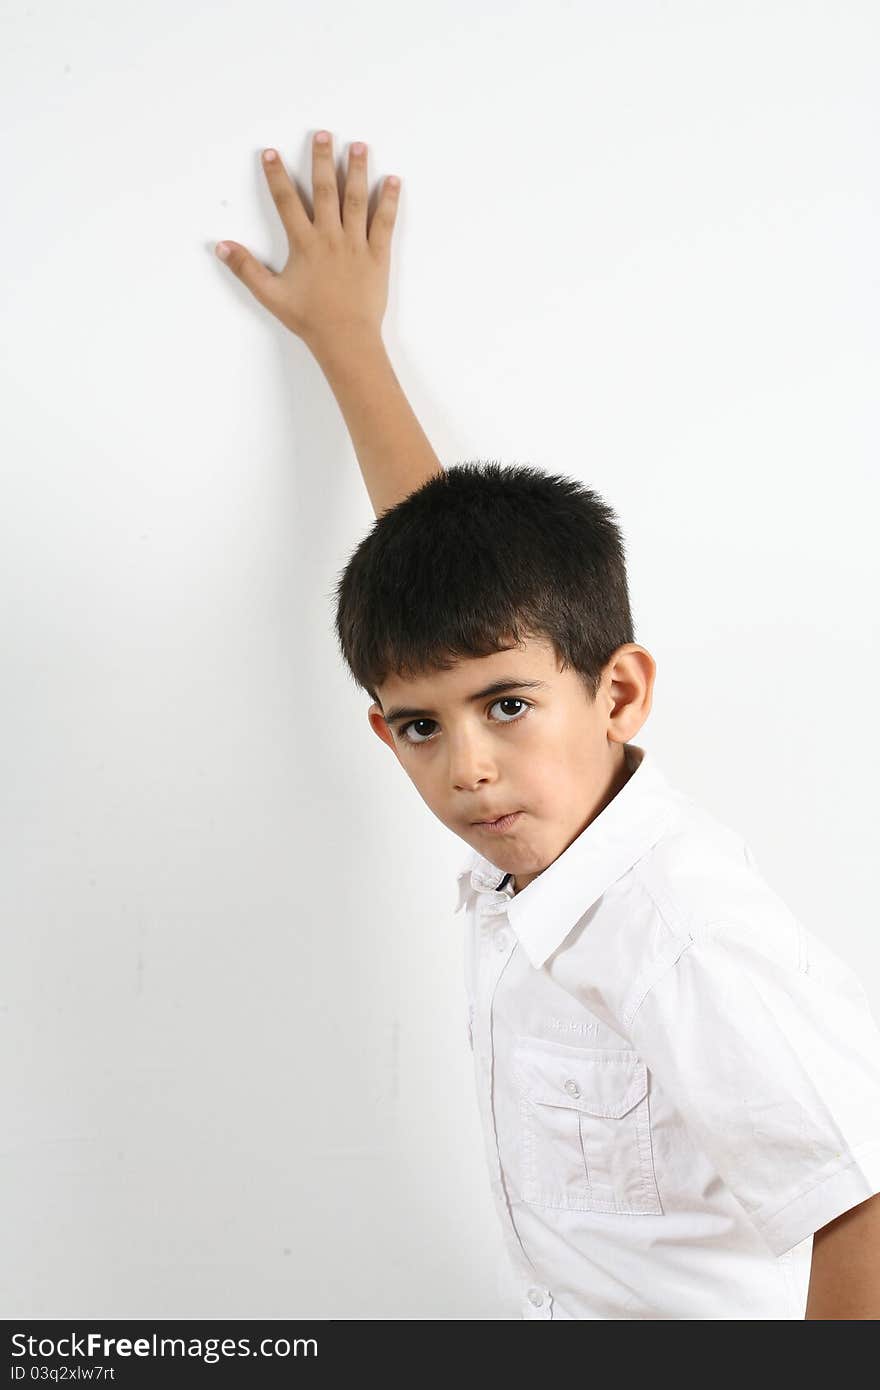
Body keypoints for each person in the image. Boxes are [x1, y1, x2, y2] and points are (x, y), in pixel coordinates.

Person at [215, 130, 880, 1319]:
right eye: (420, 728)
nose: (469, 766)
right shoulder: (555, 839)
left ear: (618, 692)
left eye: (507, 710)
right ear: (382, 731)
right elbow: (453, 591)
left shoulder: (675, 930)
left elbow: (865, 1199)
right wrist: (350, 344)